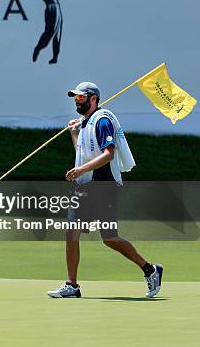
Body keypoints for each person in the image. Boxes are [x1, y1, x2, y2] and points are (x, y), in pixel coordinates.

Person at [47, 82, 163, 298]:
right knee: (71, 231)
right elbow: (84, 152)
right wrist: (74, 133)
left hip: (103, 187)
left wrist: (80, 169)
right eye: (75, 98)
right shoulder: (85, 123)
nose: (76, 101)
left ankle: (150, 269)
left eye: (81, 98)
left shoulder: (102, 121)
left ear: (93, 99)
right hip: (85, 188)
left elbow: (108, 154)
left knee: (109, 238)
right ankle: (72, 285)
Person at [31, 0, 62, 64]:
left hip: (56, 8)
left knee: (57, 34)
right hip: (52, 10)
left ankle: (55, 58)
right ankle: (38, 48)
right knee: (50, 33)